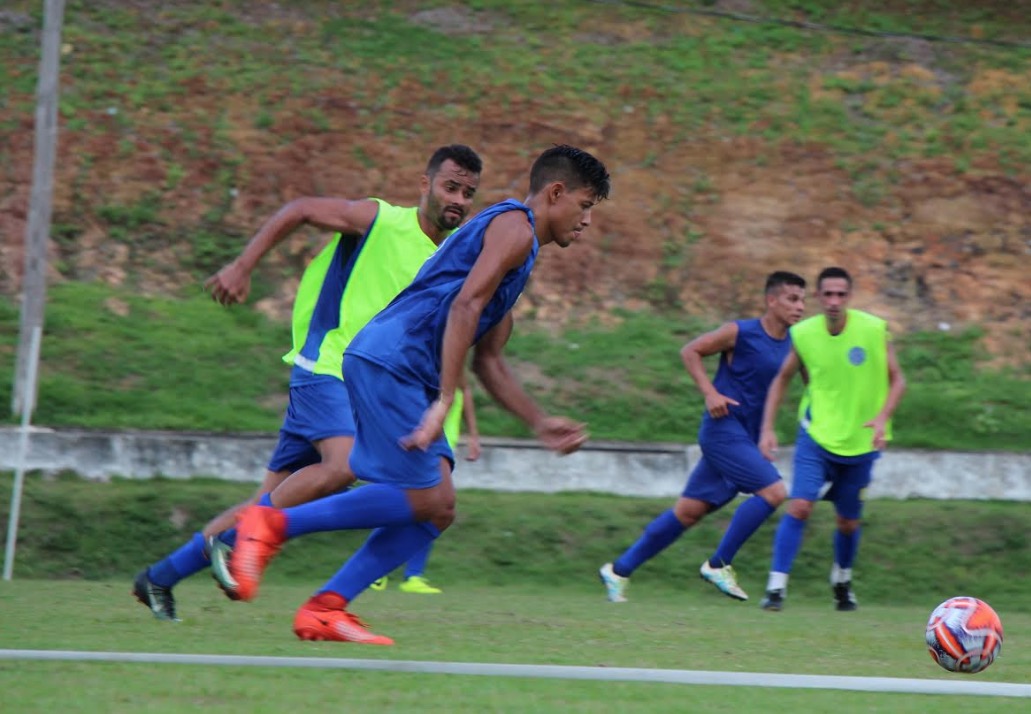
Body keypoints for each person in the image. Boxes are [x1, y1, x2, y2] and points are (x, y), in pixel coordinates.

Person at [223, 144, 610, 645]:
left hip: (400, 365)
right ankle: (271, 524)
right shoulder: (514, 227)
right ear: (556, 193)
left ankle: (325, 607)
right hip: (392, 358)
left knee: (438, 509)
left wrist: (537, 421)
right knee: (425, 495)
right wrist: (444, 400)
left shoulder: (518, 247)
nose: (585, 221)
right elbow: (464, 307)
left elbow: (489, 358)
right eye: (584, 206)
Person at [132, 144, 483, 621]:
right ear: (425, 185)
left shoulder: (451, 263)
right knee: (342, 467)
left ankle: (160, 577)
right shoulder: (378, 219)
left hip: (367, 391)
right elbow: (300, 210)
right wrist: (242, 265)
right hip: (327, 371)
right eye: (450, 187)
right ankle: (250, 543)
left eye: (468, 192)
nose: (458, 199)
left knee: (265, 501)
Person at [599, 271, 807, 603]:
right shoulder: (739, 332)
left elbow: (815, 384)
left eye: (803, 300)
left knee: (688, 512)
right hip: (722, 430)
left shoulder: (798, 344)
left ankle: (618, 570)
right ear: (772, 300)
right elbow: (690, 351)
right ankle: (719, 564)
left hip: (747, 439)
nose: (801, 307)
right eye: (793, 299)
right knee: (773, 492)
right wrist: (710, 393)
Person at [757, 266, 907, 612]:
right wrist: (767, 428)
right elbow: (782, 379)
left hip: (861, 443)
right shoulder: (805, 333)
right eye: (828, 294)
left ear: (849, 297)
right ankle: (776, 587)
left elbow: (898, 380)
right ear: (819, 297)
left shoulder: (872, 329)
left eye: (841, 294)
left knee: (848, 521)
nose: (834, 301)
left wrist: (883, 418)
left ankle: (842, 580)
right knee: (800, 505)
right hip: (817, 437)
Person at [370, 370, 481, 594]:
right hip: (418, 439)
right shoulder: (419, 354)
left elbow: (465, 389)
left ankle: (413, 575)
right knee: (400, 499)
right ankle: (377, 570)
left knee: (433, 507)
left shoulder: (452, 353)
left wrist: (473, 434)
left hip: (443, 444)